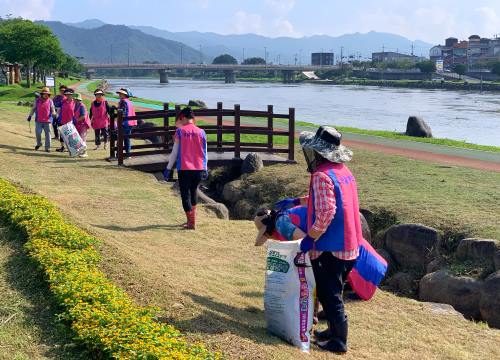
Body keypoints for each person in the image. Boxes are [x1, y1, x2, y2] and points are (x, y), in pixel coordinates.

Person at [275, 126, 362, 354]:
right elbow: (322, 200)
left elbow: (326, 212)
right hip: (350, 245)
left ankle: (339, 341)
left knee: (329, 294)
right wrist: (296, 201)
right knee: (335, 289)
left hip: (331, 248)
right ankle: (332, 331)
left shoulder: (322, 176)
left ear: (318, 152)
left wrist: (310, 239)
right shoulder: (343, 172)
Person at [163, 107, 207, 230]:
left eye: (179, 119)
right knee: (193, 192)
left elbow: (174, 153)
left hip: (184, 168)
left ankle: (191, 223)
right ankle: (192, 221)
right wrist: (205, 168)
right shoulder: (202, 132)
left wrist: (168, 168)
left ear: (182, 117)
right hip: (199, 168)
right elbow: (205, 153)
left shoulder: (180, 132)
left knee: (185, 195)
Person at [27, 87, 57, 152]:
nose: (46, 95)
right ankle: (39, 143)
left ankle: (47, 147)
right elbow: (33, 108)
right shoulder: (37, 100)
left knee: (48, 134)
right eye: (44, 93)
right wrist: (30, 116)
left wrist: (54, 114)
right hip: (38, 120)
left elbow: (52, 109)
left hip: (48, 121)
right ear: (42, 94)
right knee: (38, 133)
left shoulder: (50, 101)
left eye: (47, 94)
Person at [116, 88, 136, 156]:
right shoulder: (129, 101)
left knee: (120, 139)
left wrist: (117, 111)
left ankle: (118, 154)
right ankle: (128, 154)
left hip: (124, 123)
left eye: (121, 94)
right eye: (119, 94)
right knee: (127, 139)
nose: (119, 95)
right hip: (130, 123)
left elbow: (123, 112)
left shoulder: (123, 101)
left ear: (124, 95)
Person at [56, 88, 76, 153]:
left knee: (70, 136)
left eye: (69, 94)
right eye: (66, 94)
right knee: (62, 135)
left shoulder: (75, 102)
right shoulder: (63, 101)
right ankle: (62, 147)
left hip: (71, 122)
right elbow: (59, 109)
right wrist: (57, 115)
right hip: (62, 121)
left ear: (72, 95)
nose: (68, 96)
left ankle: (71, 148)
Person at [73, 93, 90, 158]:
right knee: (78, 138)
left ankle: (85, 152)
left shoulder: (82, 106)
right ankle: (80, 151)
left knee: (83, 138)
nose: (73, 100)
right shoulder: (76, 105)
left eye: (74, 99)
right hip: (78, 124)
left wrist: (76, 120)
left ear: (77, 99)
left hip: (83, 124)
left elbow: (83, 116)